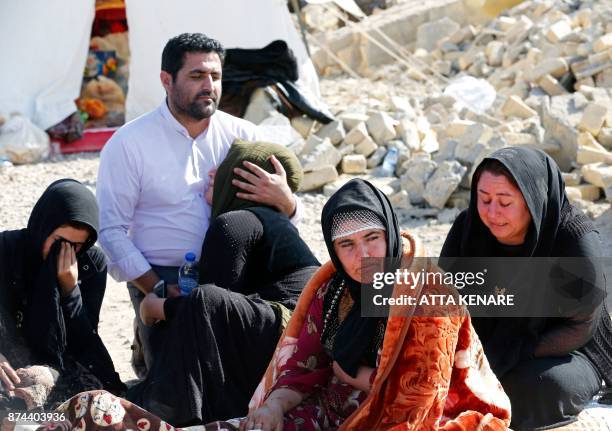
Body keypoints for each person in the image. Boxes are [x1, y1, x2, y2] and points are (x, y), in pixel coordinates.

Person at [96, 33, 302, 375]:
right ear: (166, 80)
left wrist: (288, 202)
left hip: (239, 276)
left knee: (252, 374)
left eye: (216, 77)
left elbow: (281, 226)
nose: (210, 86)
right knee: (179, 386)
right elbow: (111, 231)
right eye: (197, 76)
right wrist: (158, 289)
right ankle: (149, 332)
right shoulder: (128, 144)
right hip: (163, 276)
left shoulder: (244, 137)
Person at [241, 179, 511, 431]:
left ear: (389, 234)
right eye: (347, 244)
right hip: (333, 408)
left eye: (372, 238)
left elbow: (418, 404)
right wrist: (274, 406)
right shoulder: (334, 289)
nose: (363, 255)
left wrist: (357, 376)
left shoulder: (430, 294)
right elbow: (304, 364)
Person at [128, 140, 320, 425]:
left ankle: (169, 405)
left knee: (203, 300)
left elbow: (209, 314)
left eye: (222, 168)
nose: (210, 174)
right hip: (297, 340)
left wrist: (157, 308)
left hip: (286, 334)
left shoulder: (235, 222)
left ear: (239, 179)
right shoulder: (267, 221)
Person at [440, 147, 612, 430]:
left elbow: (580, 326)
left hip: (557, 349)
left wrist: (511, 354)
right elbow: (446, 297)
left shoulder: (571, 240)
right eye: (484, 199)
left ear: (534, 200)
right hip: (484, 342)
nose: (492, 213)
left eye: (505, 202)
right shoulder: (469, 228)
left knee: (540, 387)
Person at [0, 179, 124, 410]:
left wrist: (70, 290)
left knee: (96, 404)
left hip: (60, 363)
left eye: (77, 245)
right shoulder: (6, 249)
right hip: (6, 358)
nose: (67, 251)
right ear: (43, 226)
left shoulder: (90, 263)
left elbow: (86, 339)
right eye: (59, 241)